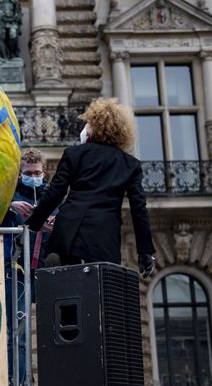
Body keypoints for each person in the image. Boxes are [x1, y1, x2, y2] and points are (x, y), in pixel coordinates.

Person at [26, 98, 155, 277]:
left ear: (95, 126)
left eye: (88, 123)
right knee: (98, 293)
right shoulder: (130, 164)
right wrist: (145, 251)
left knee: (63, 292)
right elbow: (139, 209)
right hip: (103, 237)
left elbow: (55, 193)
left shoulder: (74, 154)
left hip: (68, 232)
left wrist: (32, 225)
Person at [0, 148, 55, 386]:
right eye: (28, 173)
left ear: (45, 173)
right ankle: (19, 382)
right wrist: (10, 206)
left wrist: (56, 223)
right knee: (17, 333)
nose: (33, 176)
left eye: (37, 172)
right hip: (17, 270)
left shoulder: (54, 199)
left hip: (45, 270)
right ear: (20, 173)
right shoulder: (10, 197)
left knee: (52, 333)